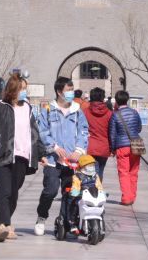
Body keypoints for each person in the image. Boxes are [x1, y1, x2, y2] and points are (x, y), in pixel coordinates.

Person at [0, 74, 45, 242]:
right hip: (1, 155)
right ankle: (3, 225)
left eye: (25, 89)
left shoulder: (27, 108)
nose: (24, 92)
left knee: (14, 192)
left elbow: (34, 131)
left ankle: (7, 225)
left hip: (22, 156)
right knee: (4, 190)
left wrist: (41, 154)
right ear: (13, 90)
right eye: (22, 89)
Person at [35, 77, 89, 236]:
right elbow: (42, 131)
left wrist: (79, 151)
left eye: (72, 90)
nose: (71, 93)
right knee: (50, 191)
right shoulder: (48, 110)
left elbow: (84, 131)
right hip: (53, 160)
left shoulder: (78, 111)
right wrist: (54, 147)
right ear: (59, 92)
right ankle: (42, 216)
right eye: (68, 90)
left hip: (71, 162)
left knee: (70, 192)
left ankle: (64, 221)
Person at [108, 90, 143, 206]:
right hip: (136, 144)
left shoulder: (115, 115)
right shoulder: (134, 112)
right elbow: (139, 128)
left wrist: (112, 149)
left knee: (123, 172)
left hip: (122, 146)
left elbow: (112, 134)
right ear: (127, 100)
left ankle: (126, 198)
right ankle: (132, 195)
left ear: (116, 102)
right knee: (134, 171)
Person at [68, 154, 105, 235]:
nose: (91, 167)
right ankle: (72, 222)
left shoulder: (95, 176)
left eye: (92, 165)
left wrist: (102, 192)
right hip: (81, 196)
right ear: (83, 166)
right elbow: (76, 185)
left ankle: (101, 222)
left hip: (93, 195)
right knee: (74, 205)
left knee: (101, 207)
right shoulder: (78, 176)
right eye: (89, 165)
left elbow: (98, 185)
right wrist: (75, 192)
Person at [83, 87, 112, 179]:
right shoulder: (109, 113)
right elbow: (112, 132)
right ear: (103, 98)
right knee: (100, 170)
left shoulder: (85, 112)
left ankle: (89, 190)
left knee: (87, 172)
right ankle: (98, 190)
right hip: (104, 146)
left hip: (89, 146)